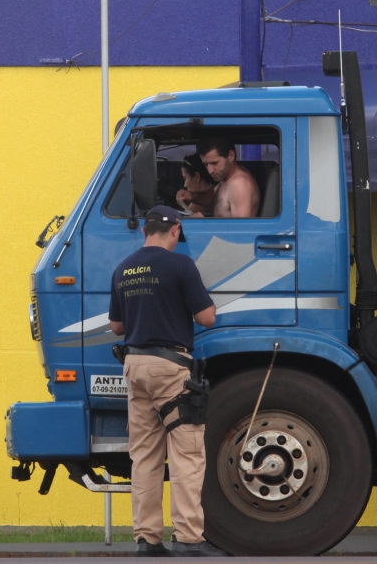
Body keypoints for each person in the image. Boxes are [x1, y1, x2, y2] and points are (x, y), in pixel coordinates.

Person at [108, 206, 223, 557]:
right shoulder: (180, 265)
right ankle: (188, 539)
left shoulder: (123, 268)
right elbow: (207, 317)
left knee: (144, 456)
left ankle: (147, 539)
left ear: (145, 230)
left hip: (135, 365)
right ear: (174, 230)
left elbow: (117, 327)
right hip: (170, 368)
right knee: (187, 453)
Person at [177, 137, 260, 218]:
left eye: (214, 163)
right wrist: (192, 196)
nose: (210, 171)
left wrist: (204, 224)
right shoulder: (227, 177)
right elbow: (215, 197)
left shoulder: (239, 184)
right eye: (206, 164)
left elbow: (241, 228)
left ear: (231, 156)